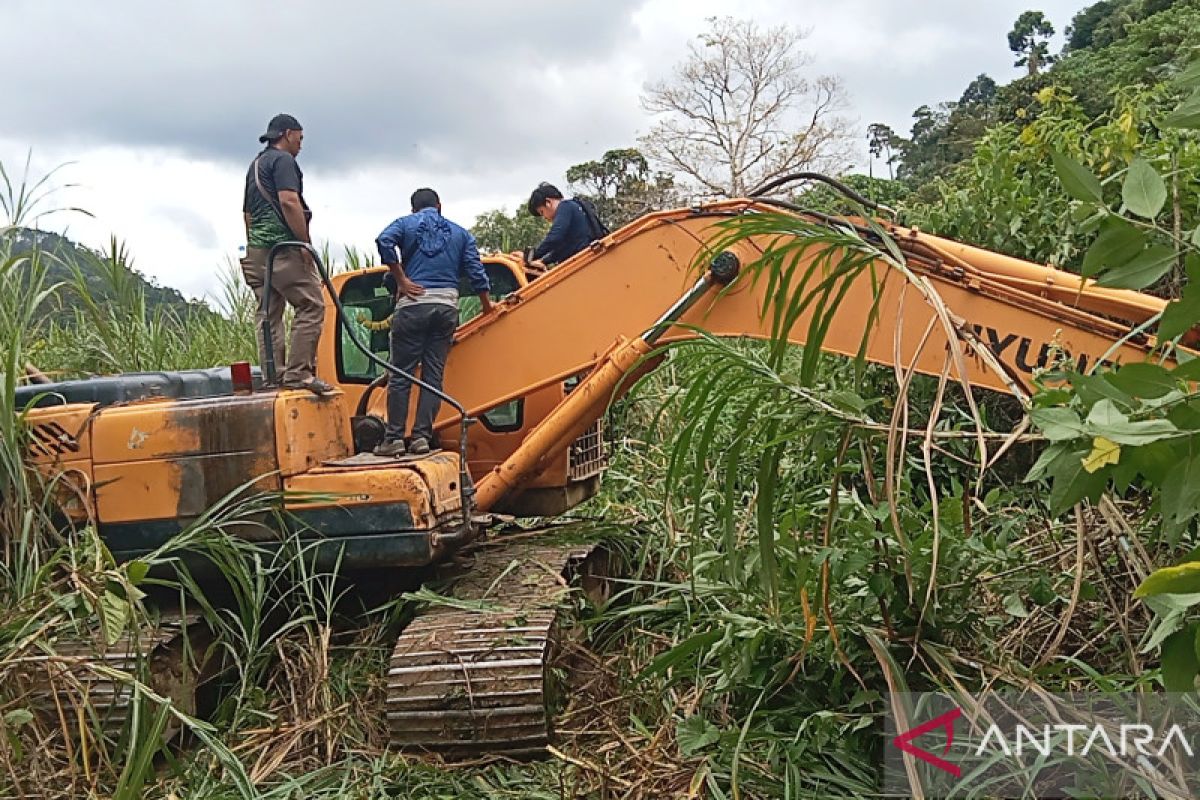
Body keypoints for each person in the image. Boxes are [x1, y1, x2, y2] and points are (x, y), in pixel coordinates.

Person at [373, 188, 493, 457]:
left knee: (401, 374)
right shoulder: (461, 233)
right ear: (440, 205)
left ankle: (393, 439)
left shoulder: (405, 224)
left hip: (414, 306)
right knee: (433, 375)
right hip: (447, 307)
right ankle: (421, 438)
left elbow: (383, 241)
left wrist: (401, 280)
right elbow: (476, 270)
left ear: (413, 209)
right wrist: (487, 307)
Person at [240, 113, 333, 395]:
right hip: (284, 250)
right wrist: (303, 244)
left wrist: (255, 247)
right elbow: (289, 201)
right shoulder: (283, 161)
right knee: (311, 306)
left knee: (268, 314)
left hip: (257, 253)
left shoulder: (255, 165)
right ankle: (299, 374)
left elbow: (247, 214)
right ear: (288, 134)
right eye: (300, 138)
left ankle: (274, 376)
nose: (301, 145)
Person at [524, 182, 602, 266]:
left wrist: (533, 255)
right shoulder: (574, 206)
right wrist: (543, 261)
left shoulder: (565, 206)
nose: (545, 217)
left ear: (548, 202)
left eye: (542, 212)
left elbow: (554, 237)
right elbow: (565, 246)